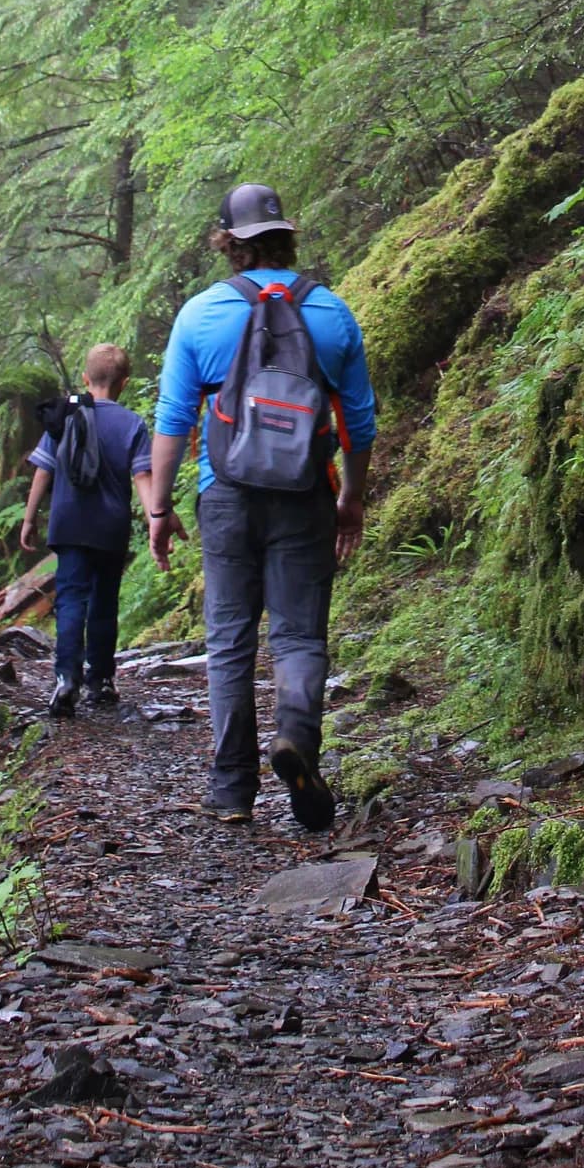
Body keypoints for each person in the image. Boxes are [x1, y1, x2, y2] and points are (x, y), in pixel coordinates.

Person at [146, 184, 377, 831]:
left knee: (229, 642)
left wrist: (160, 510)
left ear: (227, 243)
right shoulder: (331, 312)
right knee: (300, 634)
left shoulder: (200, 316)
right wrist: (350, 498)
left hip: (226, 495)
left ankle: (231, 791)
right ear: (287, 236)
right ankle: (297, 739)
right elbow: (359, 422)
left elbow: (172, 422)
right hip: (305, 494)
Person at [21, 342, 154, 718]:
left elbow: (43, 470)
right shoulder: (132, 424)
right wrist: (155, 518)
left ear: (85, 378)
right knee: (104, 603)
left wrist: (30, 519)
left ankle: (66, 677)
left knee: (71, 600)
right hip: (110, 528)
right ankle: (101, 680)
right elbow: (143, 475)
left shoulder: (65, 415)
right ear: (124, 383)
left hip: (68, 522)